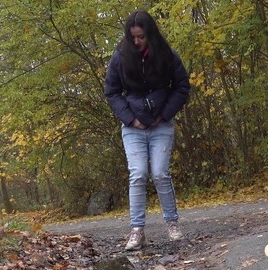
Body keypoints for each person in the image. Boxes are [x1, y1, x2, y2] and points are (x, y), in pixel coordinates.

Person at [104, 9, 190, 251]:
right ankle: (137, 230)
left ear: (149, 34)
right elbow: (111, 92)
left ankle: (172, 224)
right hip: (133, 128)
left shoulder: (166, 54)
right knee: (138, 174)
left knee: (161, 173)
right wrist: (131, 120)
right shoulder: (120, 57)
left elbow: (182, 85)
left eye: (141, 36)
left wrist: (164, 114)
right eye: (133, 37)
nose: (137, 41)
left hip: (161, 125)